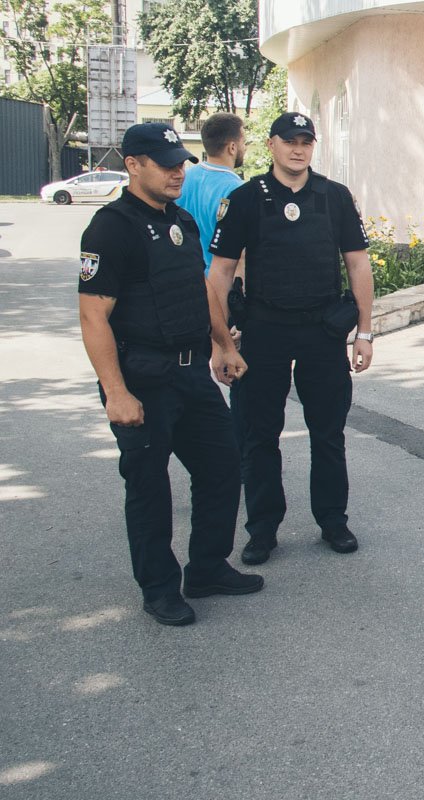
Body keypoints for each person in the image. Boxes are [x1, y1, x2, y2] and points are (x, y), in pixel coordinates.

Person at [78, 122, 263, 627]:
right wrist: (116, 392)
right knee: (149, 487)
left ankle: (205, 568)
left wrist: (223, 344)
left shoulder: (182, 220)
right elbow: (93, 315)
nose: (178, 171)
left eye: (181, 161)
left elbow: (201, 288)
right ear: (133, 165)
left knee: (223, 467)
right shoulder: (110, 228)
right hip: (141, 377)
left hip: (190, 374)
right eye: (165, 164)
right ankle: (159, 588)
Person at [207, 112, 373, 566]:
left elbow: (358, 264)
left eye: (306, 141)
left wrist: (365, 331)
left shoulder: (334, 198)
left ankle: (332, 520)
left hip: (322, 330)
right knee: (259, 436)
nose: (298, 149)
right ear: (272, 144)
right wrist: (221, 343)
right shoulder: (245, 199)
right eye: (289, 140)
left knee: (329, 432)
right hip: (264, 331)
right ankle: (262, 529)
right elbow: (219, 273)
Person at [177, 112, 246, 274]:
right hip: (218, 281)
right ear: (232, 147)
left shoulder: (181, 179)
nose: (245, 148)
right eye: (244, 142)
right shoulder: (238, 190)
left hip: (183, 277)